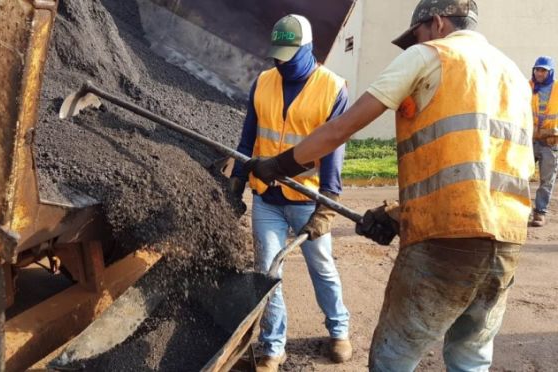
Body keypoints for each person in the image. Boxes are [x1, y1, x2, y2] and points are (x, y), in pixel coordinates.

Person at [247, 1, 534, 371]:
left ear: (437, 22)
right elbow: (484, 165)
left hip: (447, 242)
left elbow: (342, 128)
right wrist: (401, 214)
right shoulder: (511, 72)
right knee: (470, 355)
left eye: (417, 34)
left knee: (391, 358)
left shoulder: (431, 56)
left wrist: (280, 164)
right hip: (508, 241)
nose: (416, 42)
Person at [228, 14, 351, 371]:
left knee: (322, 267)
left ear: (308, 48)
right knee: (267, 272)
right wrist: (237, 181)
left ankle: (339, 331)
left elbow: (333, 149)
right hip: (266, 196)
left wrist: (328, 203)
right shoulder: (263, 81)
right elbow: (246, 139)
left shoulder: (332, 87)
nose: (280, 62)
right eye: (277, 55)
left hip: (307, 198)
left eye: (288, 55)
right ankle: (272, 346)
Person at [530, 56, 557, 227]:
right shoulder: (527, 87)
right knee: (520, 177)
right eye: (537, 69)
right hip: (530, 140)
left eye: (543, 70)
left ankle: (540, 213)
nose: (539, 73)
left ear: (550, 72)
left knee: (547, 180)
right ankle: (521, 211)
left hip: (550, 142)